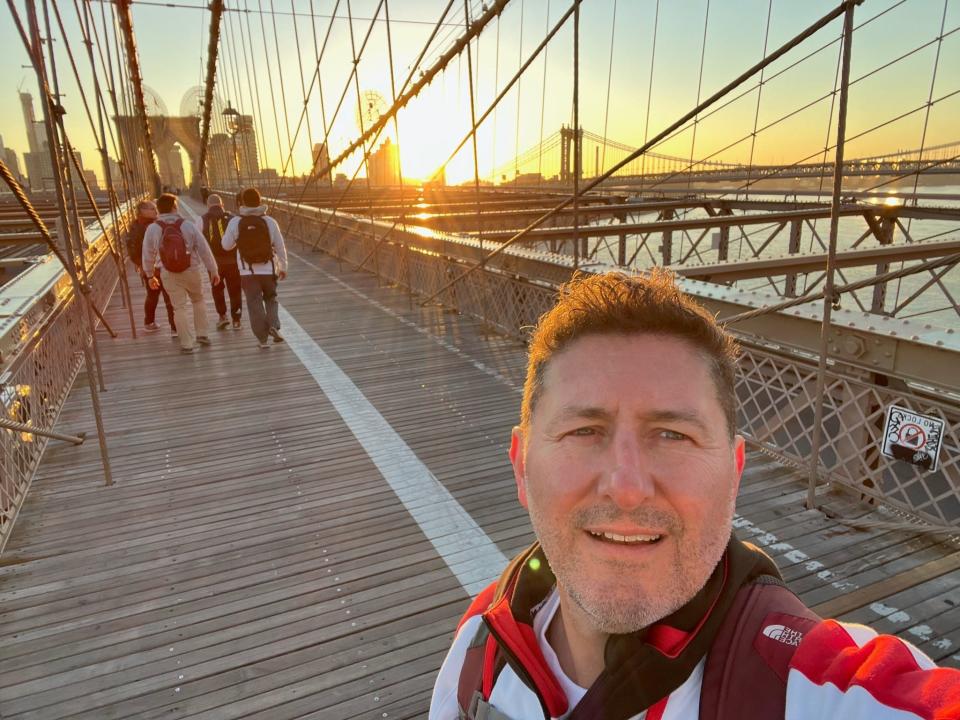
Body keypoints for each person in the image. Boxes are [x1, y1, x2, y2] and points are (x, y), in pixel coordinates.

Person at [430, 271, 960, 720]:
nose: (628, 486)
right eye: (584, 431)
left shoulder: (814, 690)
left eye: (673, 435)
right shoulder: (479, 646)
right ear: (521, 467)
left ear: (734, 474)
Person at [142, 193, 220, 354]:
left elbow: (147, 254)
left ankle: (187, 344)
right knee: (198, 301)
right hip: (191, 270)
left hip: (168, 273)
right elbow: (204, 249)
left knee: (179, 308)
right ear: (174, 207)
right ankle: (202, 334)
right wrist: (213, 269)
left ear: (159, 209)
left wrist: (150, 275)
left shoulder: (153, 228)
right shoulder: (188, 225)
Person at [221, 187, 288, 349]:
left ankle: (262, 340)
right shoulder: (270, 221)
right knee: (271, 298)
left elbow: (226, 246)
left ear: (242, 202)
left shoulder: (235, 222)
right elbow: (280, 246)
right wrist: (283, 266)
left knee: (254, 302)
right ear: (260, 201)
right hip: (268, 269)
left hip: (247, 271)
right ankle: (273, 325)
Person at [125, 199, 176, 336]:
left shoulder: (136, 227)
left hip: (150, 267)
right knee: (167, 296)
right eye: (151, 208)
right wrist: (143, 264)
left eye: (155, 208)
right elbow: (134, 250)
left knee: (153, 296)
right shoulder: (150, 227)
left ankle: (149, 322)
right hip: (156, 267)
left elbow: (132, 251)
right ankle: (174, 327)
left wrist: (140, 265)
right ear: (142, 211)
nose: (155, 210)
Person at [201, 194, 242, 330]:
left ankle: (222, 316)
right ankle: (236, 320)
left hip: (214, 264)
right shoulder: (233, 219)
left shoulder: (201, 220)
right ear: (222, 204)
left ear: (208, 206)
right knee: (235, 291)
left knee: (217, 289)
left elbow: (198, 242)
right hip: (232, 262)